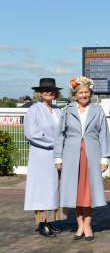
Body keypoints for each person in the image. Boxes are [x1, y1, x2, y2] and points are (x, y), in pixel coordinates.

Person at [54, 76, 110, 242]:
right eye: (81, 92)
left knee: (88, 192)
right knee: (75, 192)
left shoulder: (98, 110)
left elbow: (104, 135)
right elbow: (60, 135)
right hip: (71, 156)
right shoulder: (67, 110)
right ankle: (79, 225)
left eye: (86, 92)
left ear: (90, 93)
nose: (84, 95)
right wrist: (58, 157)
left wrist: (104, 159)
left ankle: (88, 225)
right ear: (75, 94)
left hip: (91, 156)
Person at [24, 78, 63, 237]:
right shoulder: (34, 110)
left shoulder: (58, 110)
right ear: (39, 93)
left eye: (51, 89)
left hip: (56, 156)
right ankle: (42, 223)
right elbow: (32, 134)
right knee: (41, 190)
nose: (49, 92)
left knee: (54, 189)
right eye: (45, 89)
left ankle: (51, 221)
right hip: (41, 155)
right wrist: (55, 143)